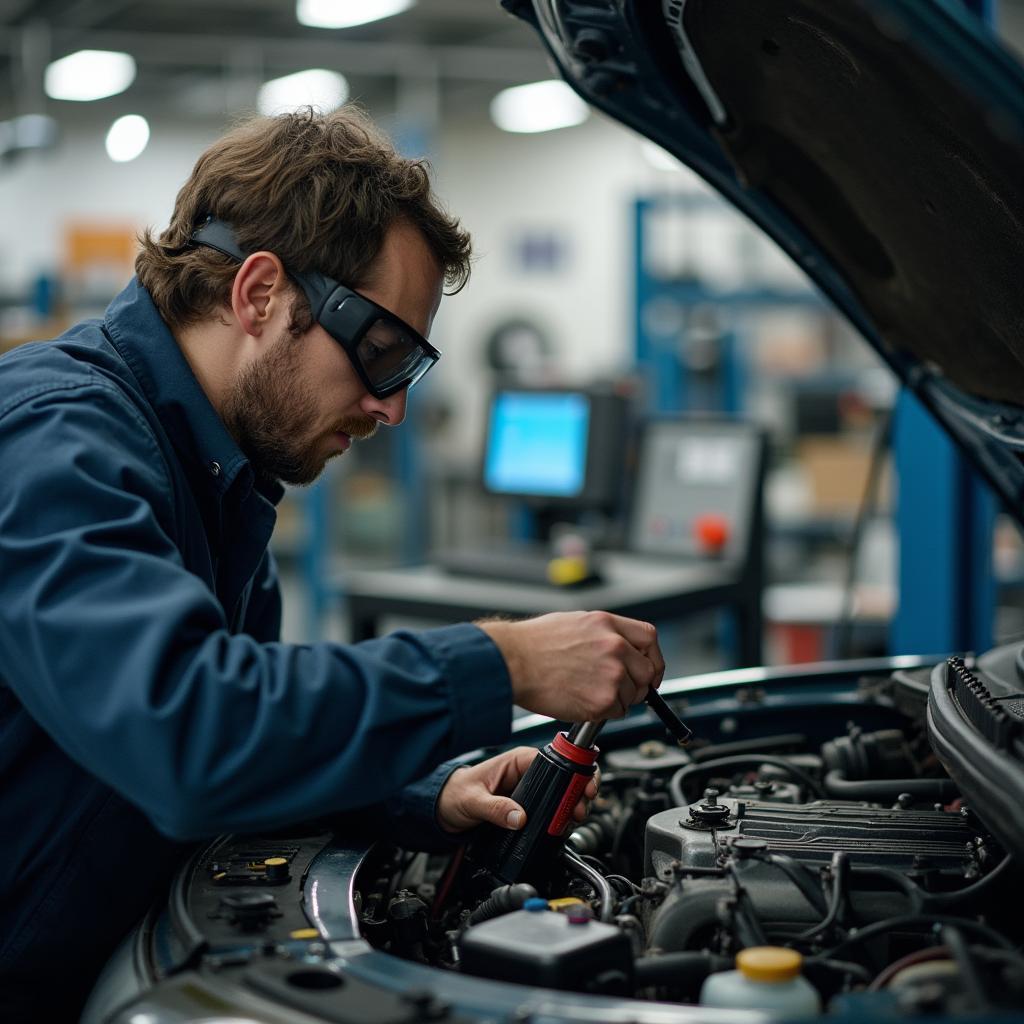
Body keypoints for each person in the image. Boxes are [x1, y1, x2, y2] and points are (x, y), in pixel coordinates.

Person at [0, 106, 664, 1020]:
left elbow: (253, 748)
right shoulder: (57, 439)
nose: (390, 409)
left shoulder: (221, 479)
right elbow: (189, 734)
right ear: (261, 292)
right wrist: (503, 662)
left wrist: (422, 798)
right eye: (382, 351)